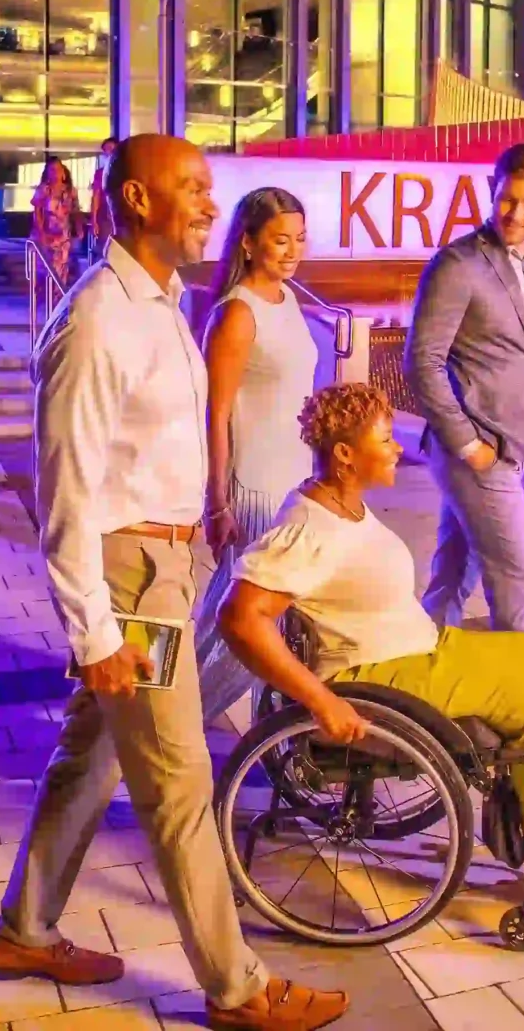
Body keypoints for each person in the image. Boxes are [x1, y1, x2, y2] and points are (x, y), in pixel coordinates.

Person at [0, 135, 347, 1031]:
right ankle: (239, 988)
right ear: (137, 199)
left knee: (90, 756)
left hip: (165, 568)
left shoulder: (161, 304)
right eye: (190, 187)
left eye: (209, 188)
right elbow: (63, 492)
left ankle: (25, 929)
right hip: (127, 580)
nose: (207, 204)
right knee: (181, 783)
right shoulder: (98, 319)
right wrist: (95, 635)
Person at [218, 382, 524, 895]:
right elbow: (238, 618)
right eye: (387, 439)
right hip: (377, 673)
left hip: (411, 649)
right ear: (346, 454)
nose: (398, 448)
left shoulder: (341, 501)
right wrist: (319, 700)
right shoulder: (310, 528)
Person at [407, 142, 524, 633]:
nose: (516, 213)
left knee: (455, 574)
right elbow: (421, 360)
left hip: (514, 445)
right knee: (517, 577)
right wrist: (468, 445)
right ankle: (516, 698)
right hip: (476, 451)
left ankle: (417, 674)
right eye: (507, 199)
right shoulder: (457, 264)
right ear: (492, 190)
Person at [196, 187, 316, 720]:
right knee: (248, 628)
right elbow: (214, 414)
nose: (292, 251)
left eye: (300, 240)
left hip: (293, 479)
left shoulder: (287, 298)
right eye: (280, 241)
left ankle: (159, 712)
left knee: (242, 620)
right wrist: (216, 502)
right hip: (256, 488)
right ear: (248, 243)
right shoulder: (237, 314)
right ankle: (162, 725)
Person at [29, 156, 78, 290]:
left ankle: (57, 302)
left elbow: (75, 211)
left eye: (58, 169)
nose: (55, 173)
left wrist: (79, 228)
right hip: (46, 235)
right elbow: (37, 212)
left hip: (63, 237)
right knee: (45, 271)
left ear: (63, 172)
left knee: (61, 270)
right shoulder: (44, 190)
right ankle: (43, 301)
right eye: (52, 170)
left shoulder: (70, 191)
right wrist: (41, 233)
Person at [84, 136, 118, 257]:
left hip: (122, 216)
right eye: (105, 150)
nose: (108, 152)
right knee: (105, 249)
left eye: (111, 148)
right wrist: (94, 220)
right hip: (105, 217)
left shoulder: (125, 170)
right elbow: (96, 196)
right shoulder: (100, 173)